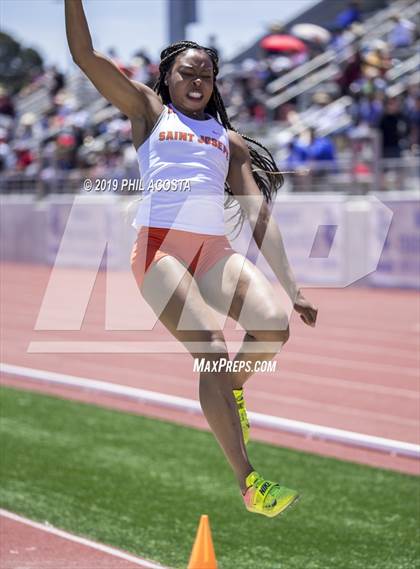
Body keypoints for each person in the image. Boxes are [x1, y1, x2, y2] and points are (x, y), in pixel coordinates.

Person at [65, 0, 318, 518]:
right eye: (188, 72)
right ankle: (250, 484)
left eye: (207, 73)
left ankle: (231, 392)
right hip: (159, 249)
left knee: (272, 325)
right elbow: (83, 54)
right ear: (168, 77)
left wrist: (292, 287)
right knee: (211, 348)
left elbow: (258, 214)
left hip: (212, 252)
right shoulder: (148, 111)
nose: (199, 80)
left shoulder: (230, 142)